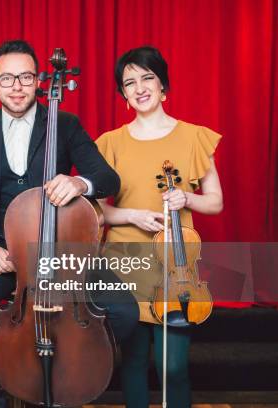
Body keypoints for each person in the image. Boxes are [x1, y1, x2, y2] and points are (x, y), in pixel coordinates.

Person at [0, 39, 138, 408]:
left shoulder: (65, 124)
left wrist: (79, 183)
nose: (17, 86)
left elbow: (109, 178)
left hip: (62, 248)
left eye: (24, 76)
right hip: (4, 250)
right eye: (7, 78)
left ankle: (71, 376)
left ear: (39, 80)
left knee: (124, 311)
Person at [95, 46, 224, 407]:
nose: (139, 87)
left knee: (173, 366)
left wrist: (188, 198)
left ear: (163, 83)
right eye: (129, 82)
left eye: (147, 77)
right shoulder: (110, 143)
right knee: (133, 362)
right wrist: (133, 215)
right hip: (127, 261)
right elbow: (97, 211)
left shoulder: (194, 137)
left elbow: (215, 201)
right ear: (123, 94)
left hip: (177, 267)